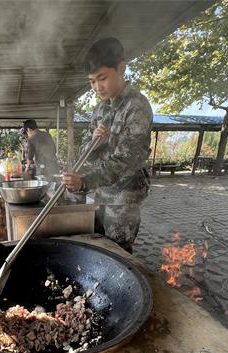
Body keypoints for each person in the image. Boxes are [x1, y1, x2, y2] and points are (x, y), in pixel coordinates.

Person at [62, 37, 153, 254]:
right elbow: (86, 152)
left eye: (102, 78)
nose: (96, 87)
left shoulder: (137, 107)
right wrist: (95, 144)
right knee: (97, 249)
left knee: (118, 254)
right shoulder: (100, 110)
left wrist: (84, 182)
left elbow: (123, 160)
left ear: (121, 69)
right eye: (92, 81)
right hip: (100, 194)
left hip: (122, 200)